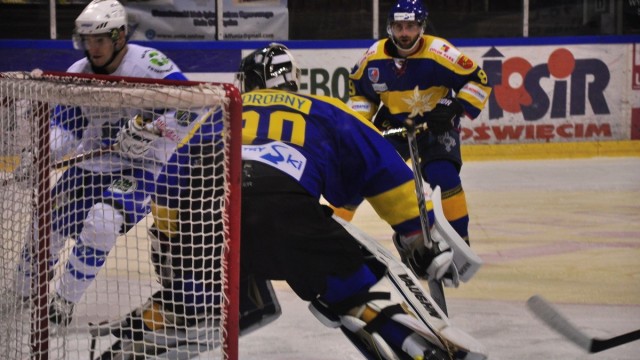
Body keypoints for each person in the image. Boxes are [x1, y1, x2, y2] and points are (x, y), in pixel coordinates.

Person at [118, 43, 459, 359]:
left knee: (191, 301)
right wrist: (417, 233)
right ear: (293, 79)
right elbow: (382, 165)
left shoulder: (218, 114)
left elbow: (170, 183)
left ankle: (139, 335)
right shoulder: (322, 108)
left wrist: (171, 244)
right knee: (353, 291)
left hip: (208, 226)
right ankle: (411, 346)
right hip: (283, 215)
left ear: (249, 82)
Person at [12, 0, 188, 326]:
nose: (93, 48)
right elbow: (66, 129)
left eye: (100, 40)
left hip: (141, 168)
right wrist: (39, 154)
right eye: (87, 40)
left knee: (103, 221)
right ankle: (23, 291)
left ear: (120, 37)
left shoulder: (149, 64)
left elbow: (192, 105)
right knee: (45, 227)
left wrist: (153, 130)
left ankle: (64, 301)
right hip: (92, 165)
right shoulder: (78, 73)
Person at [345, 0, 492, 245]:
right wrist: (362, 124)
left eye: (410, 26)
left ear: (421, 27)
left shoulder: (440, 51)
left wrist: (453, 106)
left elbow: (479, 80)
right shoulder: (374, 57)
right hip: (394, 123)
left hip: (436, 123)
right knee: (365, 173)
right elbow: (361, 92)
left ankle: (460, 240)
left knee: (443, 176)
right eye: (399, 26)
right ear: (390, 28)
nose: (404, 33)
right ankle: (332, 229)